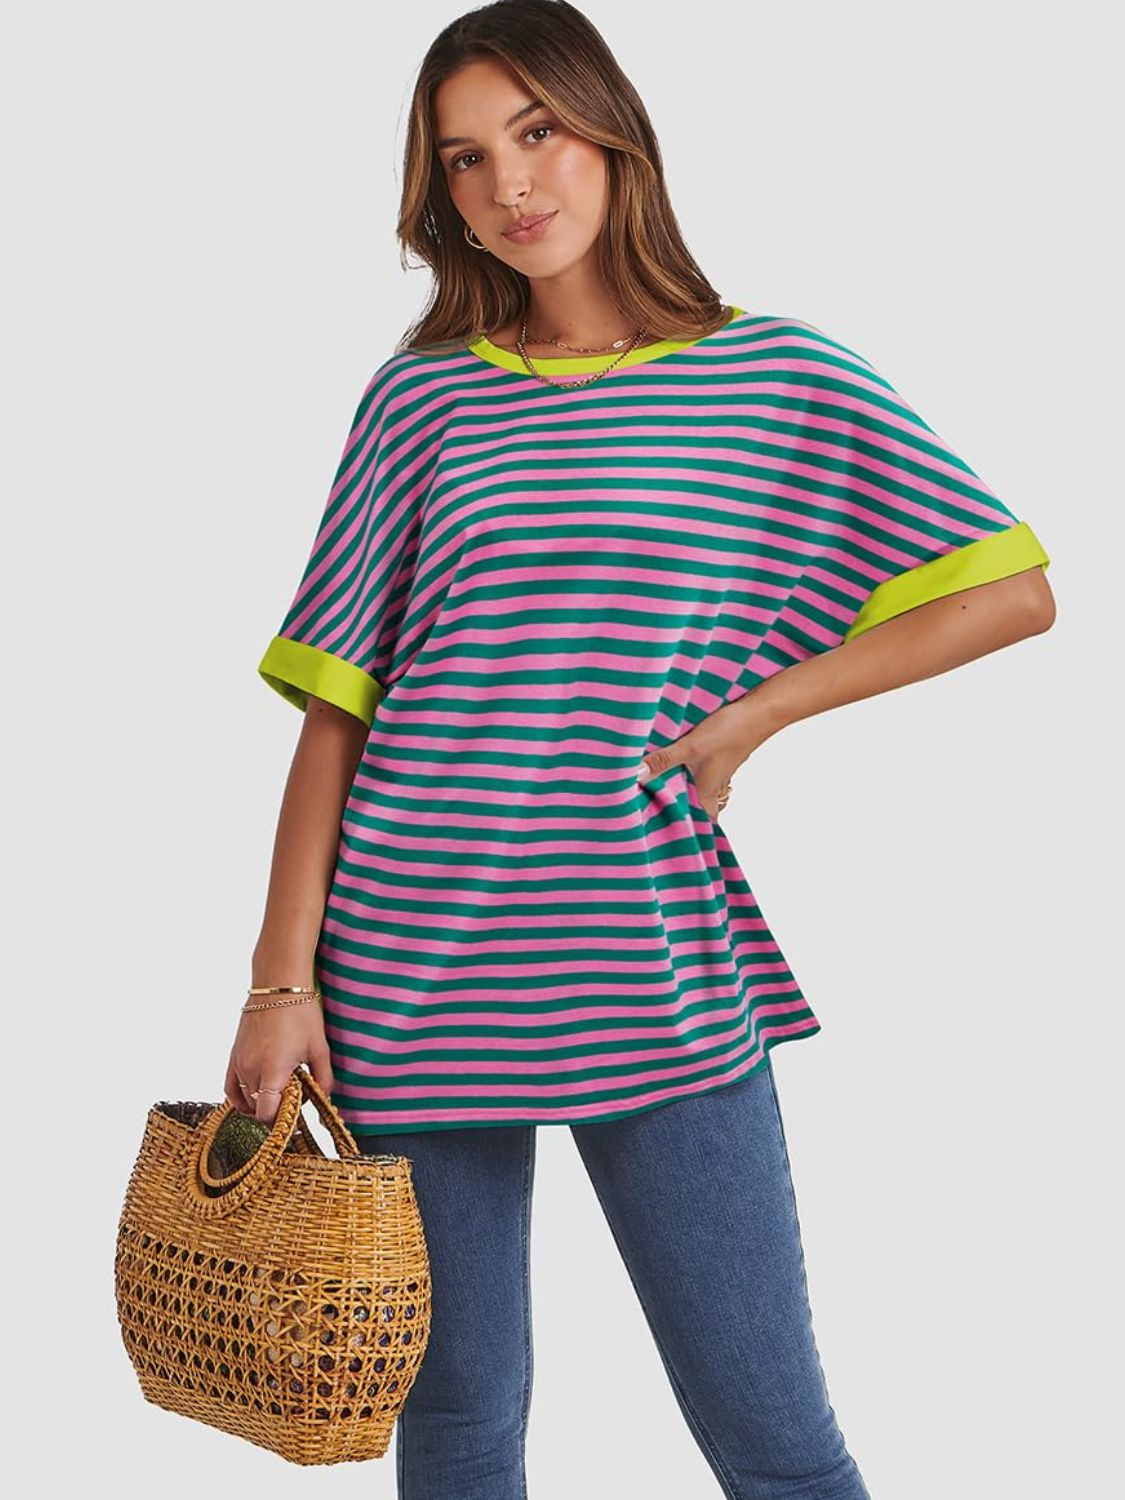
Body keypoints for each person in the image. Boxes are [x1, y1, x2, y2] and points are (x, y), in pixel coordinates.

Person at [226, 3, 1056, 1495]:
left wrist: (754, 714)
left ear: (614, 135)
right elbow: (340, 709)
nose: (508, 183)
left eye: (536, 131)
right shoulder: (422, 399)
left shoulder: (777, 374)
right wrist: (279, 984)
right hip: (404, 964)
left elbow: (1008, 592)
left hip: (652, 953)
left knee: (775, 1441)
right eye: (464, 158)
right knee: (461, 1426)